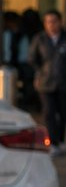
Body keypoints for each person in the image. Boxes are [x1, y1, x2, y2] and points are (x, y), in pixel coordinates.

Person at [29, 8, 66, 154]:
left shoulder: (64, 38)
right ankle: (52, 142)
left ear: (60, 22)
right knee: (49, 112)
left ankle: (61, 140)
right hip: (46, 82)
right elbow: (32, 59)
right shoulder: (40, 39)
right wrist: (41, 72)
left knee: (63, 113)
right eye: (48, 22)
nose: (51, 25)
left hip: (63, 82)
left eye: (54, 21)